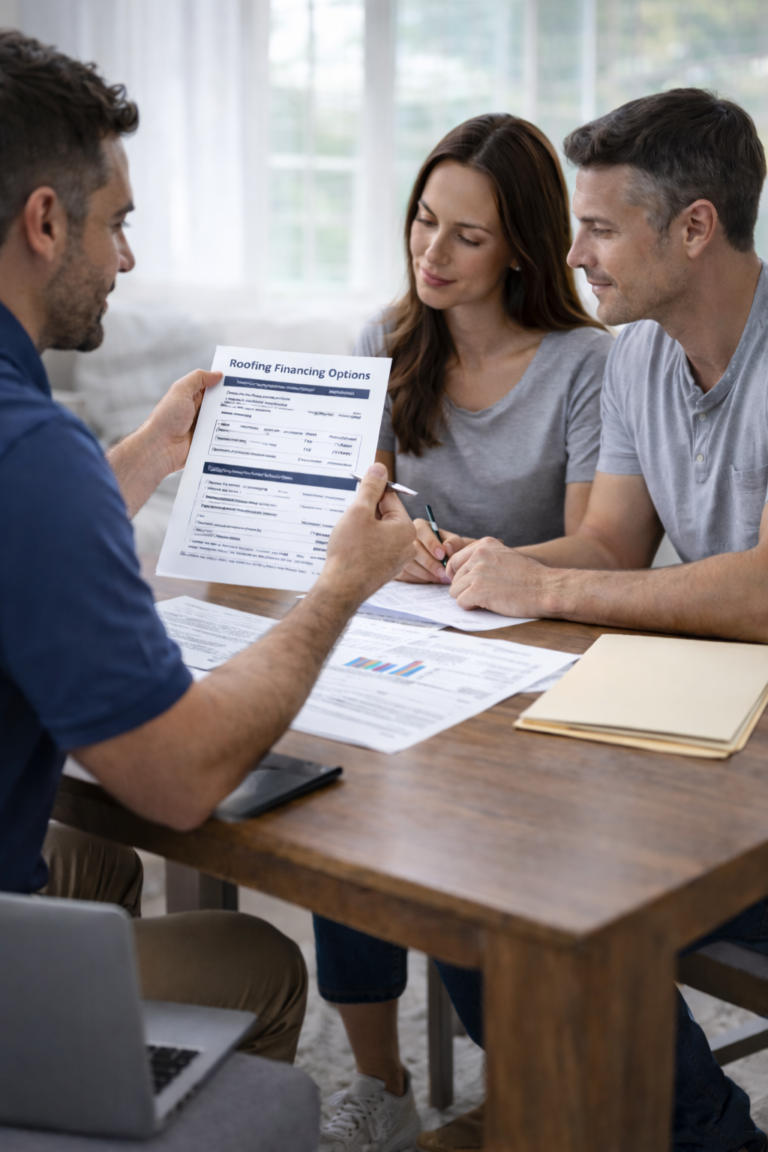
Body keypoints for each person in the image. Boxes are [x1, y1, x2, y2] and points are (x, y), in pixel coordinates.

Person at [0, 28, 415, 1074]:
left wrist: (139, 456)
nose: (125, 259)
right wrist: (338, 587)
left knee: (89, 863)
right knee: (255, 962)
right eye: (118, 224)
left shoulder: (36, 449)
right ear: (45, 221)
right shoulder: (32, 450)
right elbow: (181, 780)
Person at [428, 88, 768, 1151]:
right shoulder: (637, 354)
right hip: (715, 720)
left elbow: (762, 593)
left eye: (603, 229)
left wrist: (549, 590)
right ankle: (696, 1127)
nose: (573, 254)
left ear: (695, 228)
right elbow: (615, 545)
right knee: (473, 876)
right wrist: (476, 567)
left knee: (562, 891)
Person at [313, 113, 613, 1151]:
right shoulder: (384, 344)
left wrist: (499, 565)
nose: (430, 254)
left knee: (465, 862)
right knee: (336, 800)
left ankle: (526, 1094)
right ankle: (379, 1084)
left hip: (532, 672)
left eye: (465, 237)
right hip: (404, 651)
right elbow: (352, 518)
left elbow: (600, 549)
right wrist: (387, 544)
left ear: (521, 248)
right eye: (422, 222)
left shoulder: (586, 364)